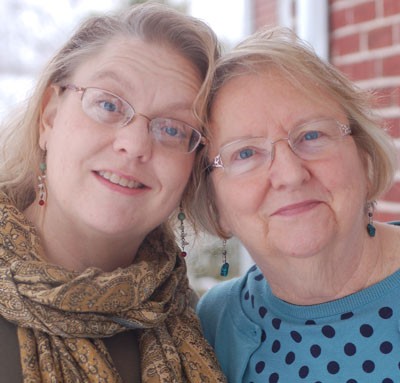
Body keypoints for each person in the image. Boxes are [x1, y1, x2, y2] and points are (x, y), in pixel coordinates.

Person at [0, 3, 226, 383]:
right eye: (108, 104)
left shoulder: (202, 323)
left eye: (172, 129)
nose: (135, 144)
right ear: (49, 117)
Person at [193, 27, 400, 383]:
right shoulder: (215, 323)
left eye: (312, 135)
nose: (289, 174)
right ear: (215, 206)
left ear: (363, 158)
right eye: (245, 153)